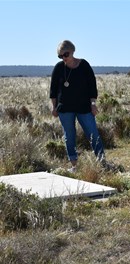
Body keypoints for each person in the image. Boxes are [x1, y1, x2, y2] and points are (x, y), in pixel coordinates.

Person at [50, 40, 105, 173]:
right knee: (69, 136)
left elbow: (92, 86)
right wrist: (54, 106)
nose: (64, 58)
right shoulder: (58, 68)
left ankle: (102, 162)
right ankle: (74, 165)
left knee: (93, 133)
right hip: (65, 109)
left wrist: (93, 104)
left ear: (72, 51)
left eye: (66, 54)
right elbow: (53, 89)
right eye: (60, 56)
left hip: (84, 107)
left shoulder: (84, 65)